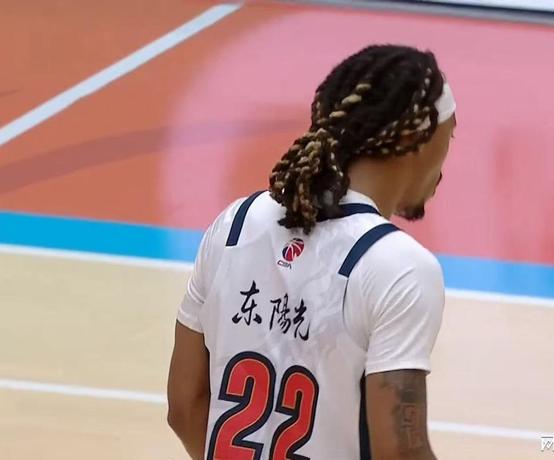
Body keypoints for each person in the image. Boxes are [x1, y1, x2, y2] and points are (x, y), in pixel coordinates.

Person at [167, 44, 457, 460]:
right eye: (451, 134)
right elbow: (400, 453)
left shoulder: (234, 225)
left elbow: (183, 406)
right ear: (415, 139)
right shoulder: (398, 266)